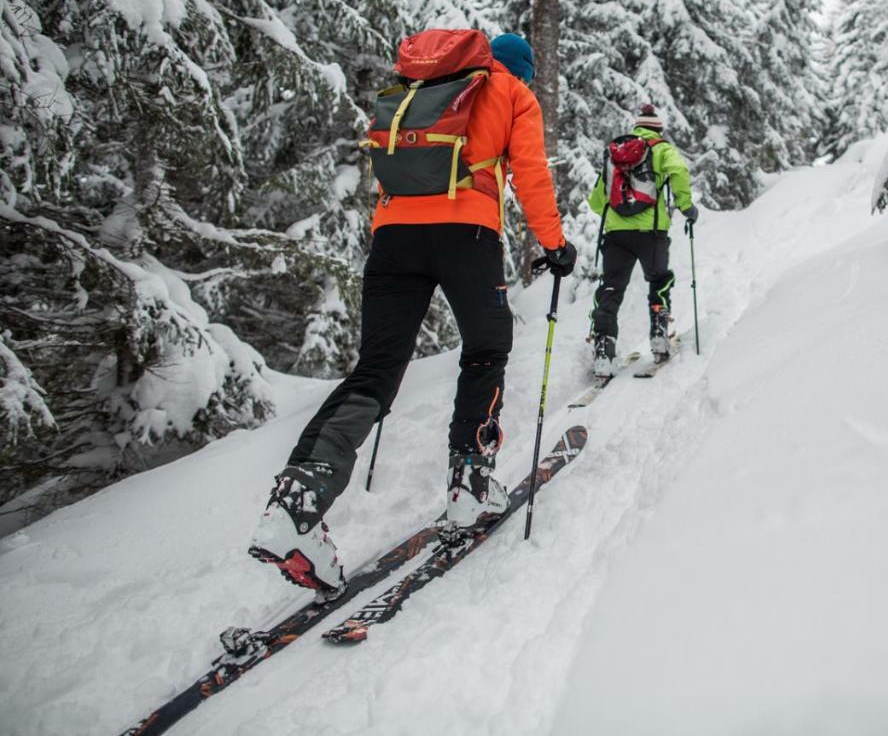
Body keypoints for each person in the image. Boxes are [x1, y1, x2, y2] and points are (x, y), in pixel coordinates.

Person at [248, 31, 576, 593]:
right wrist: (554, 244)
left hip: (393, 235)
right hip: (466, 235)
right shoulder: (513, 94)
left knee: (377, 367)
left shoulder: (422, 87)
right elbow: (530, 173)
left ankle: (296, 504)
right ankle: (469, 484)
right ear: (519, 70)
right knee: (486, 347)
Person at [588, 104, 696, 376]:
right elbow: (680, 173)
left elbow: (596, 201)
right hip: (652, 233)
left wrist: (619, 216)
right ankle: (659, 337)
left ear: (637, 127)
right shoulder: (661, 149)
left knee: (611, 288)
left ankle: (603, 351)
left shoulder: (616, 154)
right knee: (659, 281)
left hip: (616, 235)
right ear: (658, 128)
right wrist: (685, 207)